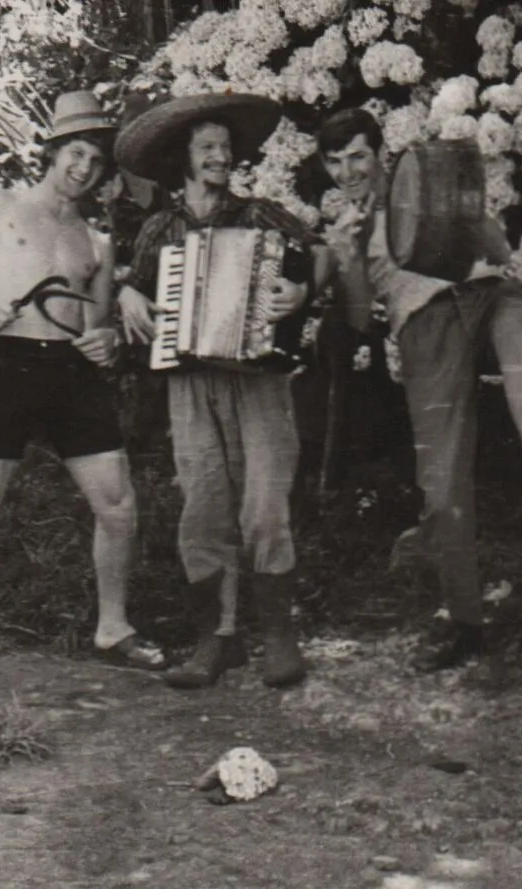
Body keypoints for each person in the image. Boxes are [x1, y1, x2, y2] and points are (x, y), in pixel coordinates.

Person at [0, 90, 164, 702]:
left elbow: (96, 326)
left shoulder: (96, 241)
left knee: (118, 505)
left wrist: (108, 341)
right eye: (76, 153)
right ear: (53, 151)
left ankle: (113, 627)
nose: (84, 168)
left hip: (71, 372)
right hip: (6, 362)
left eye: (96, 161)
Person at [318, 107, 522, 672]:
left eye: (357, 156)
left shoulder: (422, 179)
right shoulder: (346, 225)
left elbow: (498, 251)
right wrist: (348, 258)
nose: (347, 171)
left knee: (517, 332)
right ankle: (466, 622)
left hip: (484, 295)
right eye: (334, 162)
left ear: (380, 153)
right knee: (442, 479)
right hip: (424, 324)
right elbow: (358, 316)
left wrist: (468, 214)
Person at [115, 92, 317, 689]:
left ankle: (278, 636)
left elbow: (317, 255)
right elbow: (137, 286)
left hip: (258, 381)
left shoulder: (261, 215)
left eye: (225, 148)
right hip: (190, 381)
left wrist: (300, 293)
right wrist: (128, 294)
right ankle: (219, 638)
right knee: (202, 507)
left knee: (265, 506)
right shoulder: (160, 229)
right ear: (184, 158)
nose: (220, 157)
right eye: (208, 148)